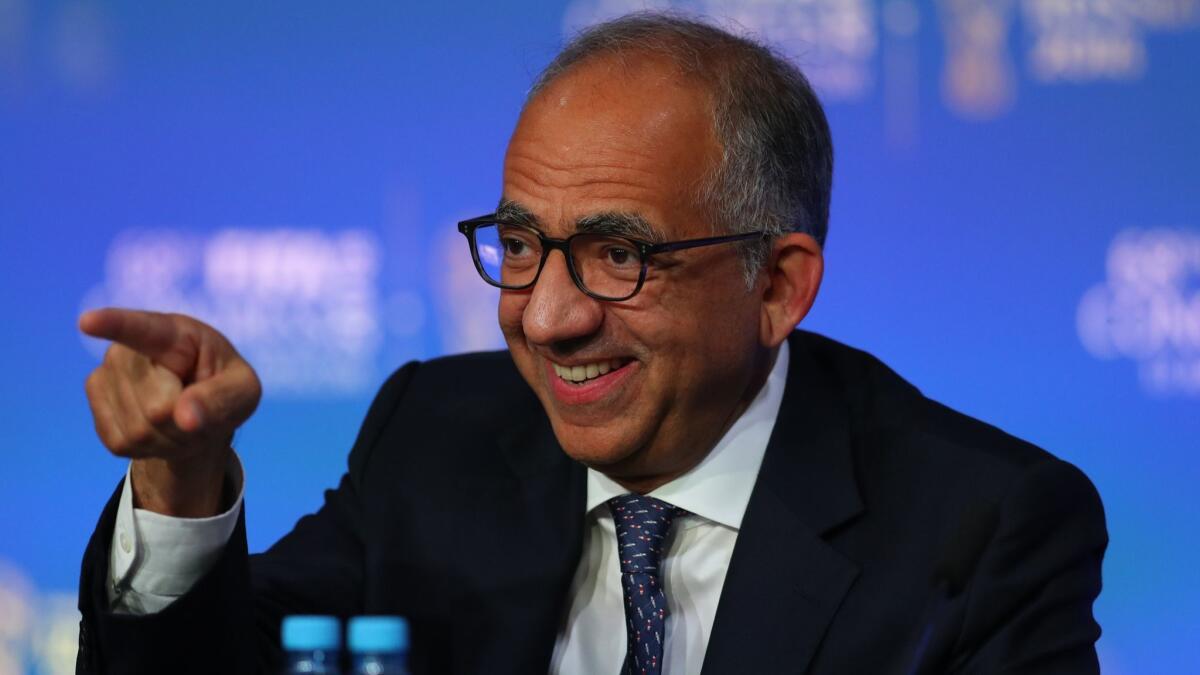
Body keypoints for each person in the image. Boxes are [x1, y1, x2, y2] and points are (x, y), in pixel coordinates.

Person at [74, 13, 1107, 675]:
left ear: (778, 286)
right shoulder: (439, 432)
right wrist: (182, 483)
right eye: (522, 245)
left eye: (619, 256)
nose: (547, 315)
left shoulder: (981, 530)